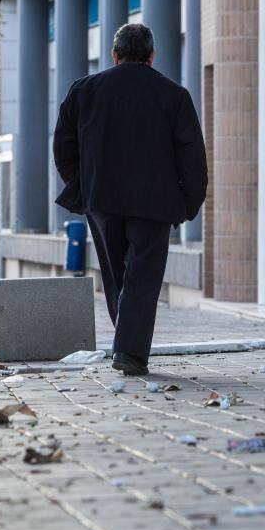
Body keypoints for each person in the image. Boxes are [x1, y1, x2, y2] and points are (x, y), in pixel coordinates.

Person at [52, 23, 207, 376]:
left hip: (101, 198)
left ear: (114, 54)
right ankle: (130, 351)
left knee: (116, 274)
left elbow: (63, 146)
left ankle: (127, 346)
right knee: (143, 276)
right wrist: (188, 203)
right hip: (155, 202)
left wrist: (81, 184)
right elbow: (192, 156)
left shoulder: (84, 91)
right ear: (152, 56)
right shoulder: (173, 95)